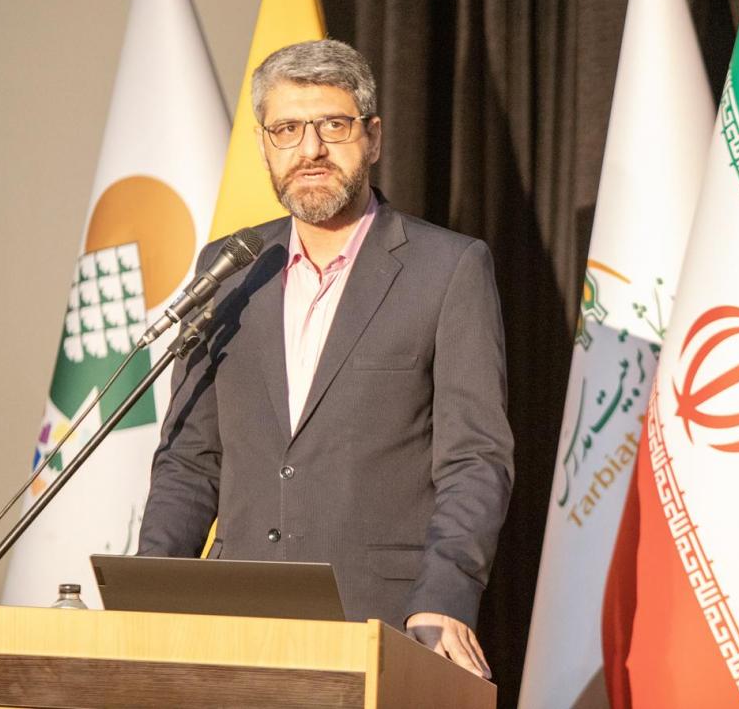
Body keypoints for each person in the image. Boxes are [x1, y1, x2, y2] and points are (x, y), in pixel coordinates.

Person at [138, 39, 513, 678]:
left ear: (373, 137)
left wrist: (446, 595)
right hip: (233, 628)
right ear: (264, 145)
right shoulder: (229, 271)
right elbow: (191, 459)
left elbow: (475, 459)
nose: (309, 149)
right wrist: (146, 595)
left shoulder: (448, 268)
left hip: (380, 623)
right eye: (287, 129)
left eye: (333, 126)